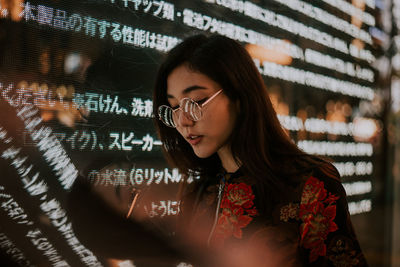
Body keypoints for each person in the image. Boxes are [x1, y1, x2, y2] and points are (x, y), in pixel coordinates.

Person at [152, 33, 368, 266]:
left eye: (196, 101)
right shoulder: (199, 190)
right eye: (174, 106)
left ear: (239, 96)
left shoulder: (311, 183)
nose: (183, 121)